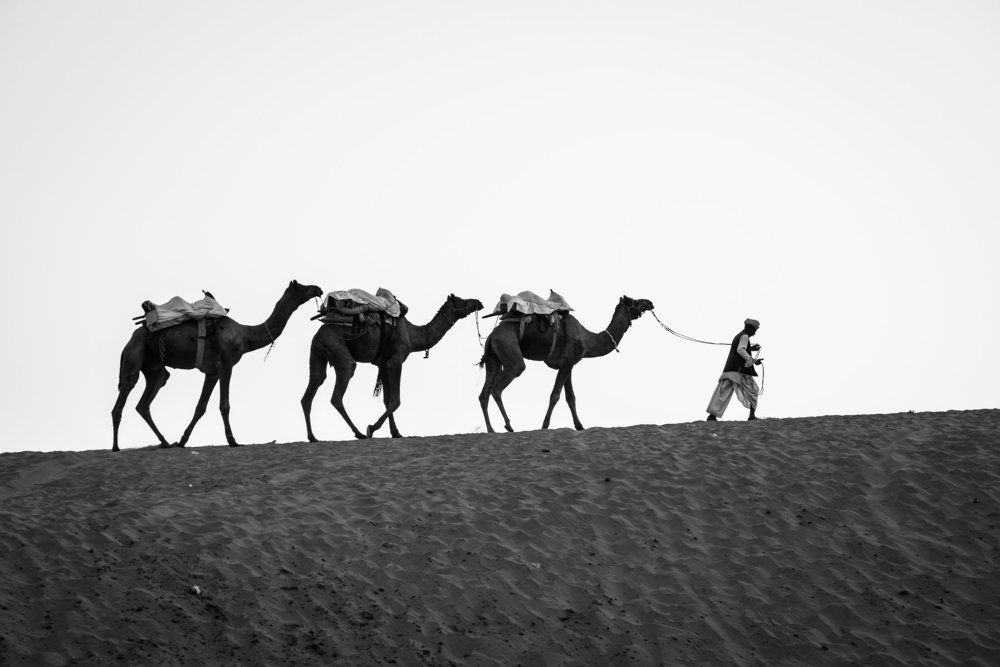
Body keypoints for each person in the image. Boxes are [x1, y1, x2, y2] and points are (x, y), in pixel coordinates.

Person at [706, 318, 763, 421]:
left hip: (729, 370)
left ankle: (712, 416)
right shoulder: (745, 336)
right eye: (754, 331)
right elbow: (740, 349)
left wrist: (752, 348)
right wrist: (753, 361)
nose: (754, 334)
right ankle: (751, 416)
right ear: (750, 329)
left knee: (722, 392)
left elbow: (742, 348)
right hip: (739, 371)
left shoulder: (739, 336)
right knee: (753, 391)